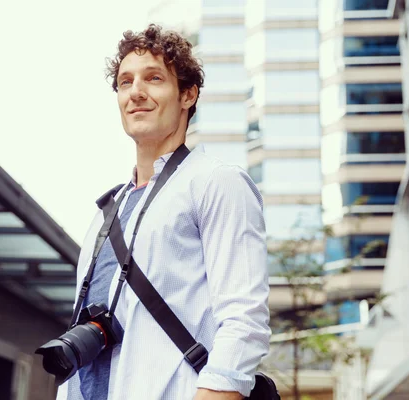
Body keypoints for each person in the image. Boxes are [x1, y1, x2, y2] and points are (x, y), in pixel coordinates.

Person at [55, 24, 271, 400]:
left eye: (153, 78)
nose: (136, 92)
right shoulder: (107, 210)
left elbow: (244, 321)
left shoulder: (217, 182)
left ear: (188, 94)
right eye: (125, 82)